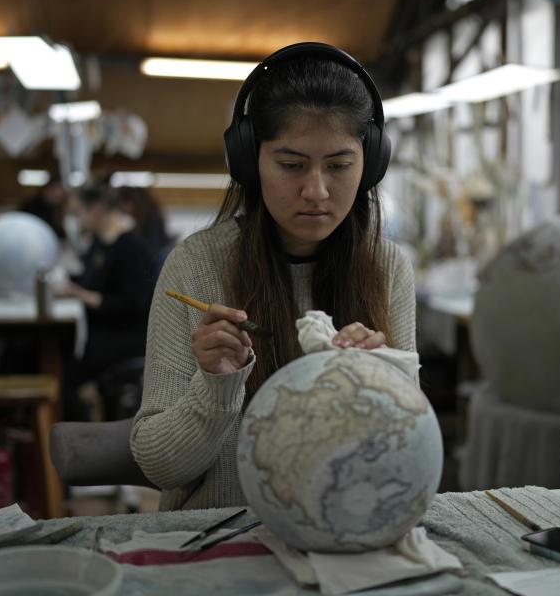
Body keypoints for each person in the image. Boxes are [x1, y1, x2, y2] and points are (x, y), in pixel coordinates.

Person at [129, 43, 416, 511]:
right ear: (249, 162)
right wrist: (216, 387)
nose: (317, 190)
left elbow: (404, 461)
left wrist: (384, 388)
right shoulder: (196, 265)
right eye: (291, 165)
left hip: (341, 538)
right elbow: (160, 468)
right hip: (218, 541)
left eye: (340, 166)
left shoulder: (387, 269)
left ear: (371, 165)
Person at [60, 182, 156, 421]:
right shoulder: (99, 241)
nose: (76, 220)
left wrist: (85, 297)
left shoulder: (131, 247)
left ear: (94, 209)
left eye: (77, 213)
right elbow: (89, 280)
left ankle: (83, 441)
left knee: (61, 380)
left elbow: (134, 303)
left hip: (124, 336)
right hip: (102, 331)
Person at [115, 186, 176, 274]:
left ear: (130, 203)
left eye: (122, 206)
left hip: (157, 264)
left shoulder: (152, 219)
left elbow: (152, 250)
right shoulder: (141, 219)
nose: (122, 210)